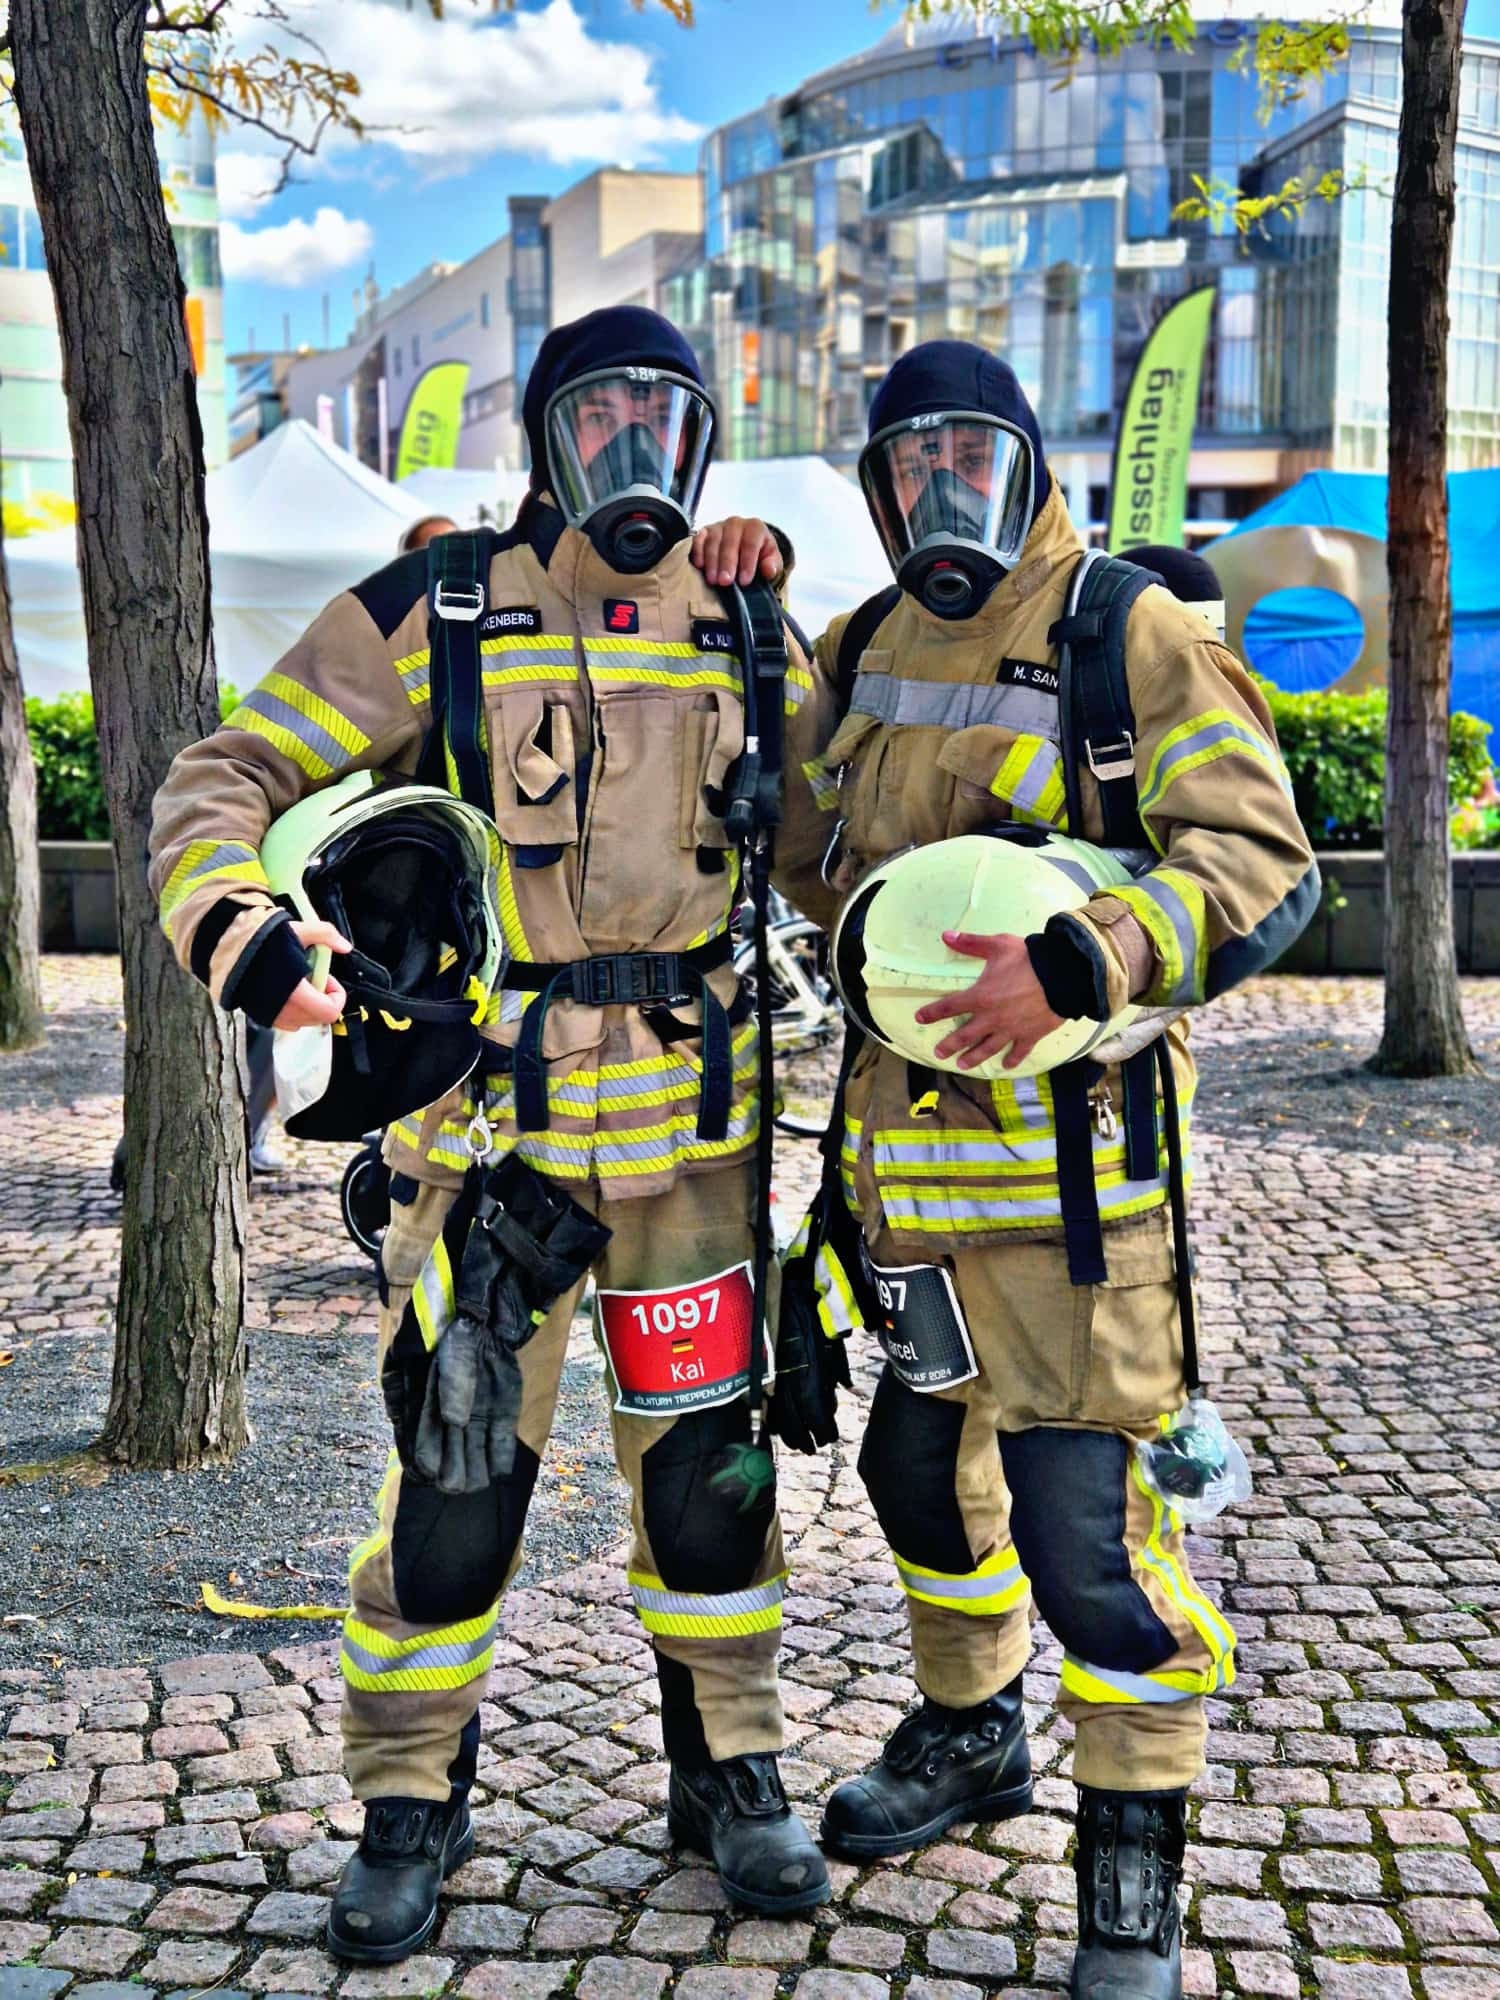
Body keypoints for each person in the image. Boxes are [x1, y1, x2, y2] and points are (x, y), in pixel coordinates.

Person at [147, 305, 830, 1964]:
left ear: (704, 439)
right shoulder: (436, 610)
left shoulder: (750, 622)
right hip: (486, 1154)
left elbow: (859, 819)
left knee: (708, 1483)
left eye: (667, 420)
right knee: (455, 1485)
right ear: (543, 439)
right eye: (600, 419)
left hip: (694, 1157)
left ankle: (728, 1770)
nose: (634, 452)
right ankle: (410, 1798)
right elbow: (219, 780)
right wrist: (243, 934)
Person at [698, 340, 1318, 2000]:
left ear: (1030, 464)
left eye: (970, 456)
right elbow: (804, 839)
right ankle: (973, 1732)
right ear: (878, 487)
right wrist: (753, 626)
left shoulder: (1129, 629)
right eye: (909, 466)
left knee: (1087, 1544)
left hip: (1074, 1207)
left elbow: (1263, 861)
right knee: (916, 1477)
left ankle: (1134, 1868)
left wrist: (1088, 957)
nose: (940, 490)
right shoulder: (867, 642)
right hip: (901, 1189)